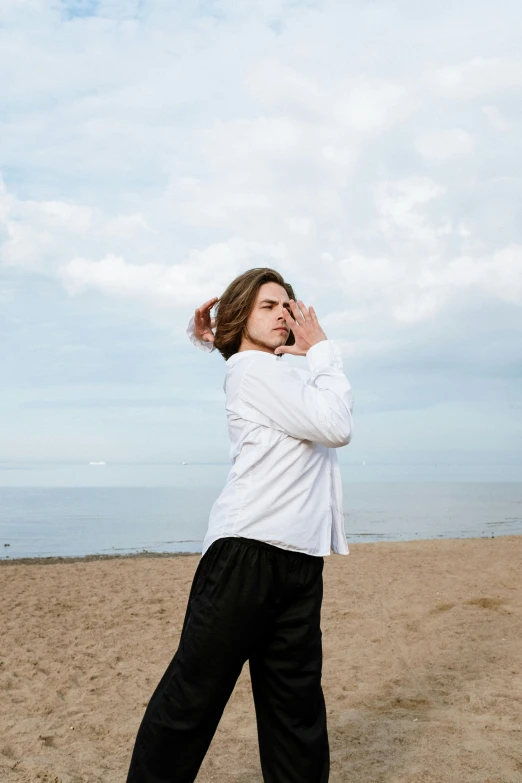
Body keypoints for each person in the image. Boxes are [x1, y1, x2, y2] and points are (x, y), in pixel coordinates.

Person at [125, 267, 354, 783]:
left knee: (296, 711)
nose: (283, 313)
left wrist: (238, 343)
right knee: (193, 698)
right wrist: (321, 349)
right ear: (240, 315)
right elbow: (336, 425)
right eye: (267, 306)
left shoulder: (269, 372)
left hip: (299, 558)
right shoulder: (254, 372)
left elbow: (293, 393)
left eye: (287, 305)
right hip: (245, 557)